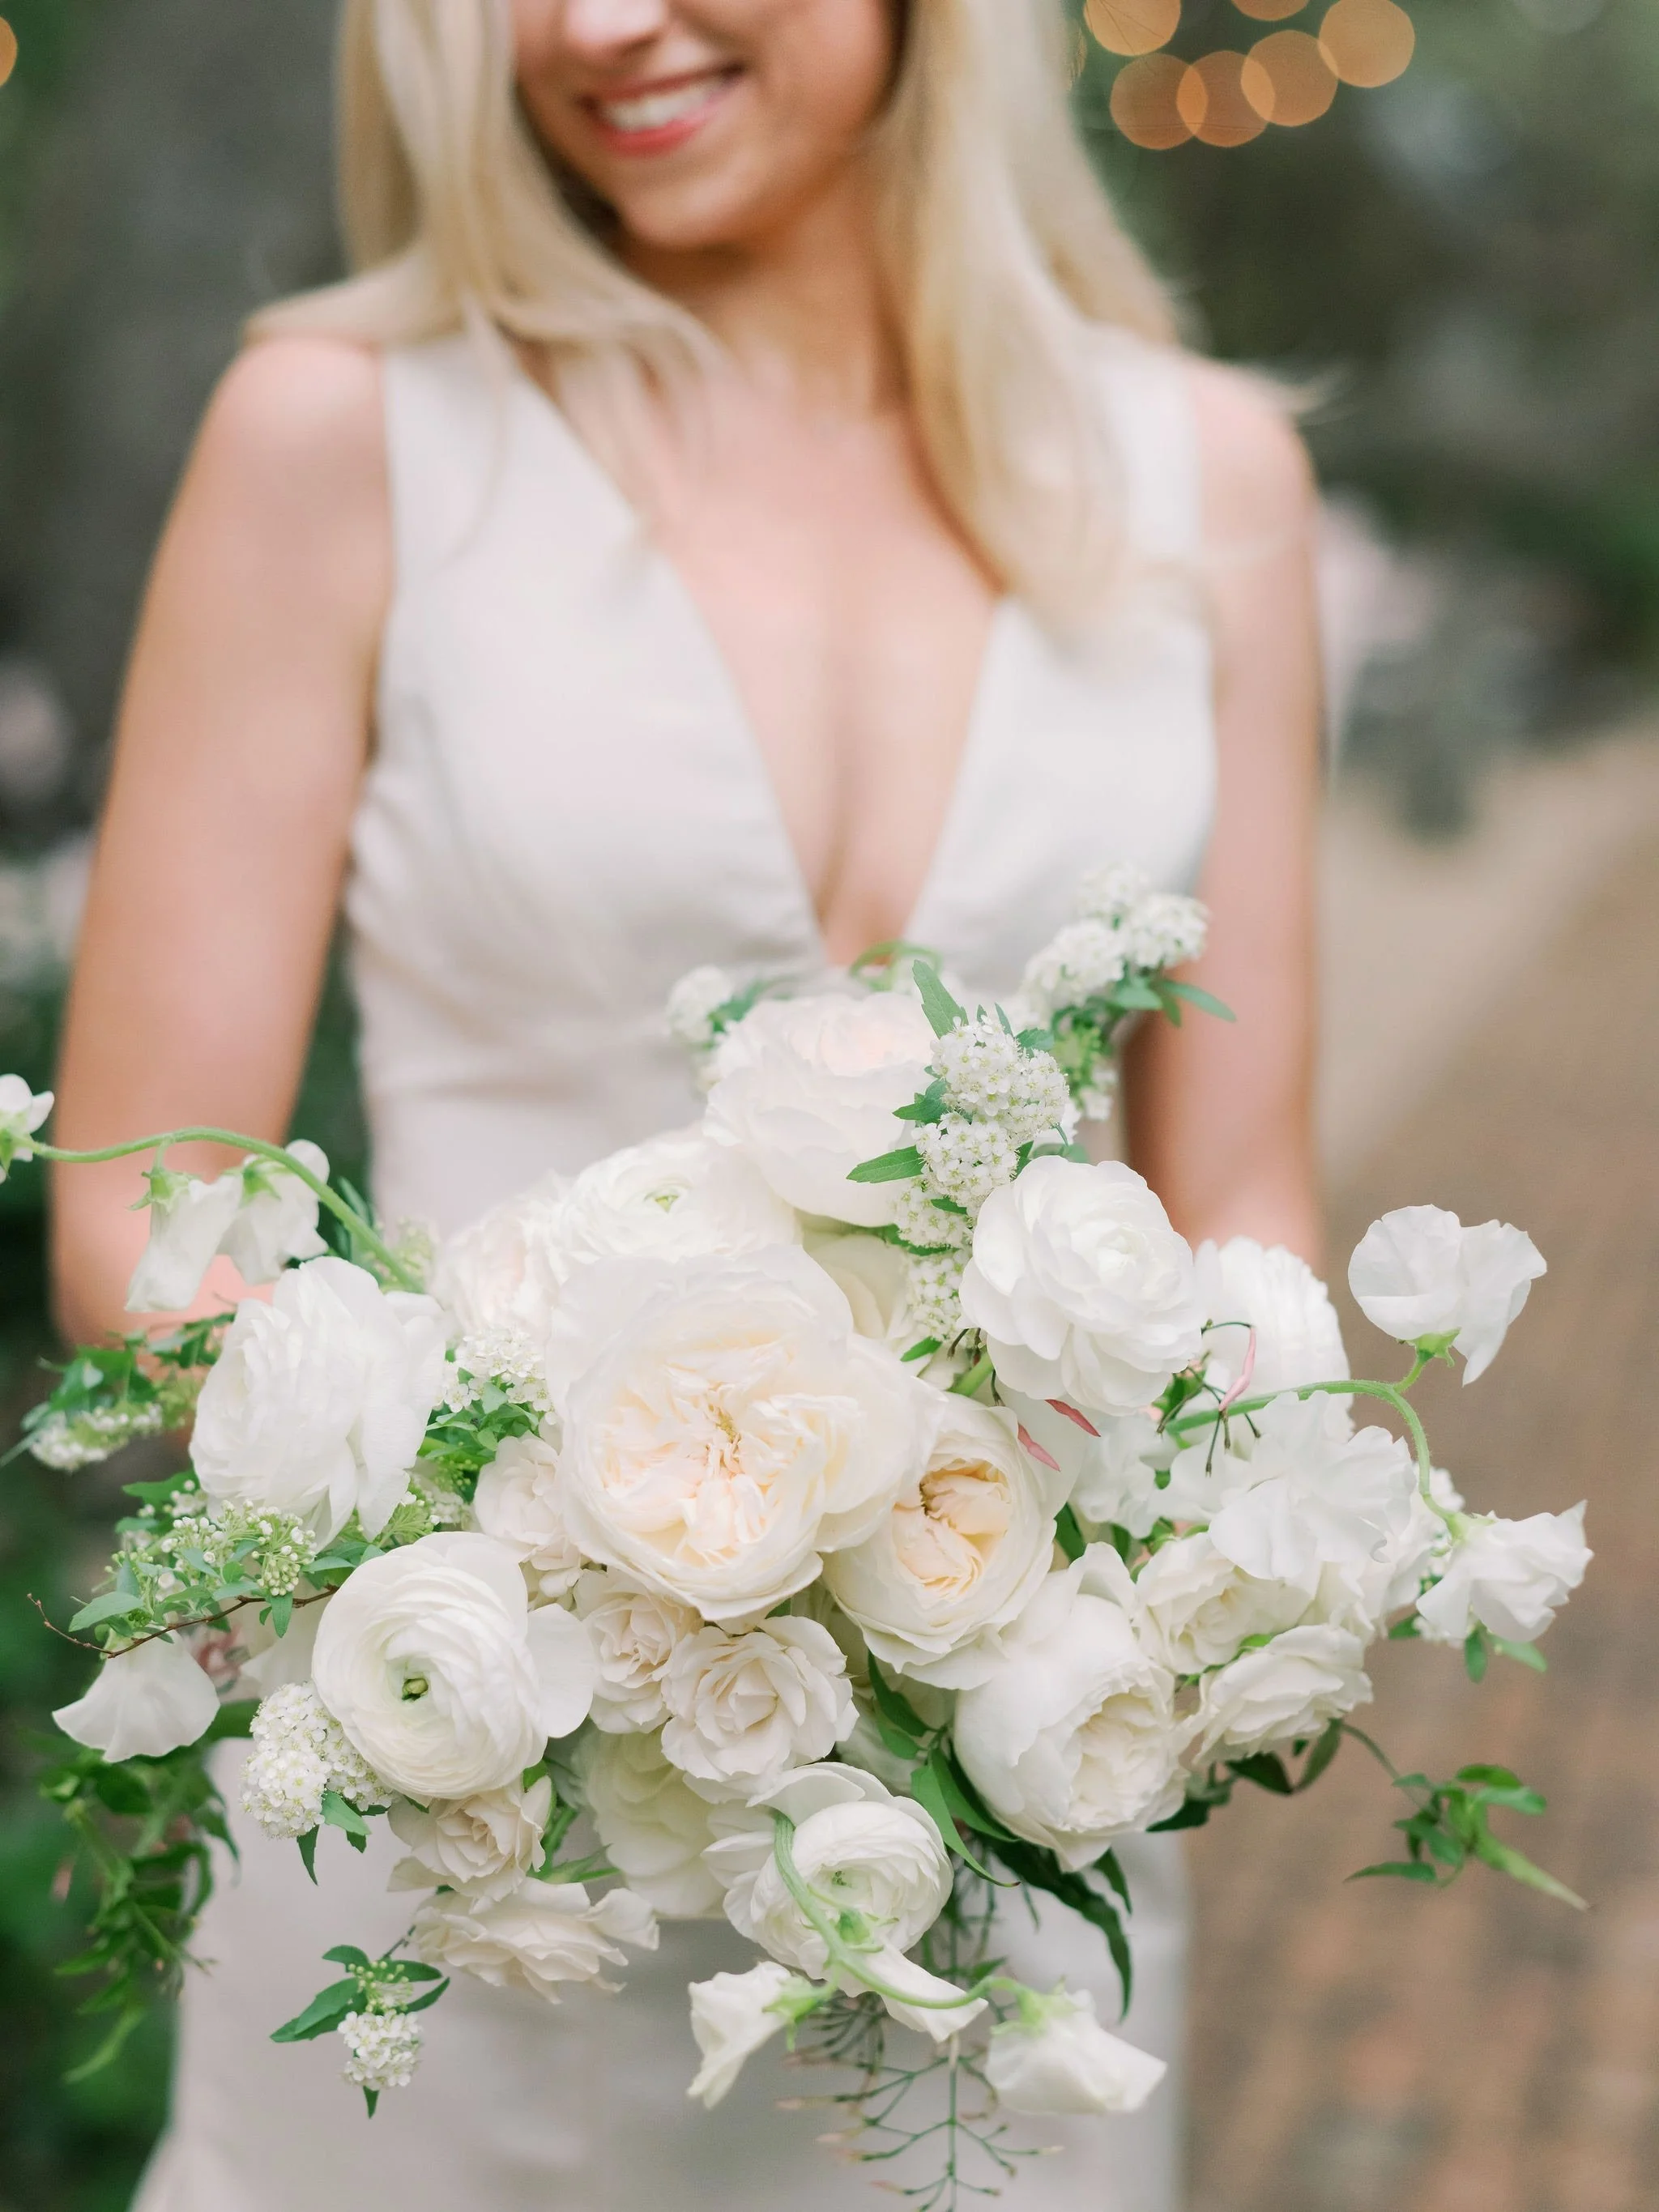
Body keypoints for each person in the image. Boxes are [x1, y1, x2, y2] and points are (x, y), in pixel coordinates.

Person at [50, 2, 1322, 2206]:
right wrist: (536, 1538)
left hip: (996, 1865)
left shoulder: (1210, 481)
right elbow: (137, 1213)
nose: (590, 27)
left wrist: (1167, 1589)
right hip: (465, 1870)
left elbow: (1251, 1200)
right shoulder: (345, 437)